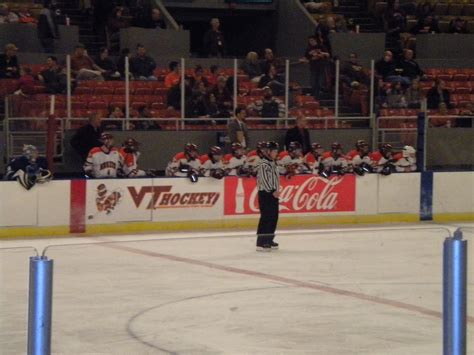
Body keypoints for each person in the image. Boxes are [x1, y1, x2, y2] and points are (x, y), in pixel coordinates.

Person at [256, 141, 280, 252]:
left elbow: (276, 178)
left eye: (276, 151)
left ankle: (269, 239)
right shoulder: (264, 164)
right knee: (266, 217)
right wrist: (272, 191)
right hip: (266, 194)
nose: (276, 153)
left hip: (273, 193)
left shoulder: (273, 163)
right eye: (274, 151)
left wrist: (276, 190)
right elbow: (264, 180)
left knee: (274, 217)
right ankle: (261, 242)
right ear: (268, 152)